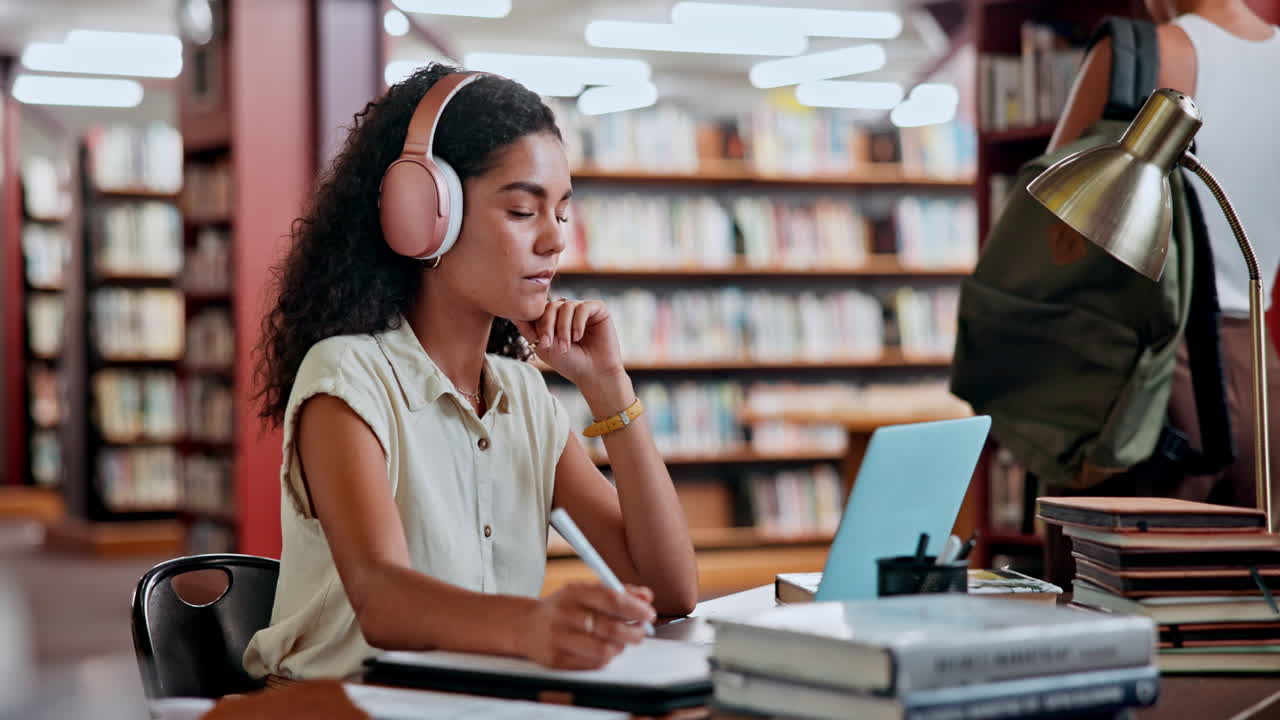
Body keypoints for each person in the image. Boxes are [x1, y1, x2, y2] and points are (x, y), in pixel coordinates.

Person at [242, 64, 699, 682]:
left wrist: (609, 389)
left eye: (562, 212)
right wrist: (528, 626)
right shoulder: (347, 379)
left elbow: (670, 591)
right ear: (425, 213)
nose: (554, 241)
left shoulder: (523, 395)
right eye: (521, 211)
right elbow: (382, 599)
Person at [1043, 0, 1280, 585]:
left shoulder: (1140, 52)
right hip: (1261, 373)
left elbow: (1052, 238)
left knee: (1115, 615)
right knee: (1235, 625)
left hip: (1144, 379)